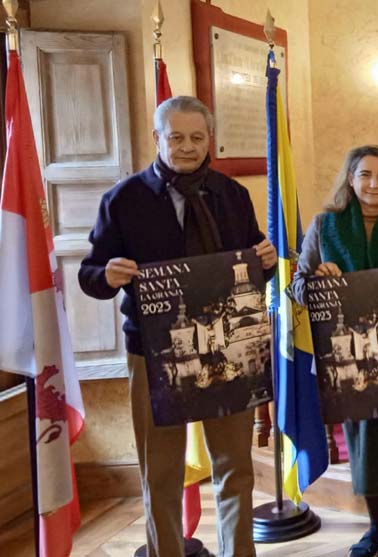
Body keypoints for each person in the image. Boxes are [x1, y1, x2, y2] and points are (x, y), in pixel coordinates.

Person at [77, 96, 277, 557]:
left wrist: (265, 262)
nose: (187, 147)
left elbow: (248, 271)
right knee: (161, 472)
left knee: (235, 467)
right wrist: (105, 275)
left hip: (228, 350)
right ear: (157, 139)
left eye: (197, 138)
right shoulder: (122, 199)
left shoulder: (233, 195)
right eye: (176, 138)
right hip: (151, 352)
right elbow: (91, 274)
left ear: (210, 140)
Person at [291, 145, 378, 557]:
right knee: (366, 446)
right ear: (350, 179)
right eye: (365, 175)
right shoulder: (324, 226)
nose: (374, 184)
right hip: (351, 359)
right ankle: (374, 529)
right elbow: (297, 287)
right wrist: (317, 277)